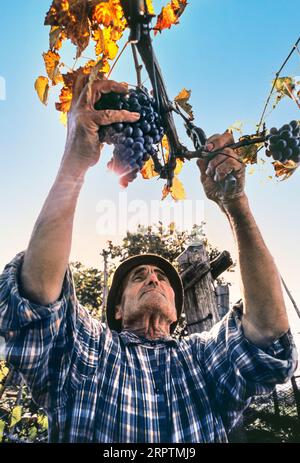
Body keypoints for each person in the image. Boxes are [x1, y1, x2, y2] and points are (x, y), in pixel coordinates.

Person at [0, 77, 297, 443]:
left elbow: (267, 336)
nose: (154, 279)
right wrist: (75, 163)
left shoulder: (203, 359)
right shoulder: (90, 350)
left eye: (161, 277)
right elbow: (36, 301)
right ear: (118, 310)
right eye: (138, 277)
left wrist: (236, 205)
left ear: (177, 309)